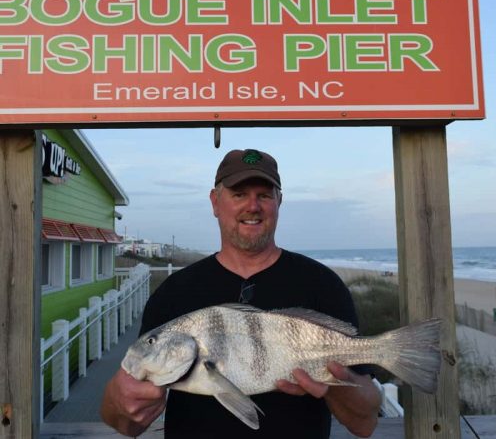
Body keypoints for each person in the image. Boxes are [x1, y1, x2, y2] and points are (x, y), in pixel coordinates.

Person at [101, 148, 381, 438]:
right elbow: (127, 426)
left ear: (279, 202)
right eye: (238, 194)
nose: (253, 206)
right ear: (215, 202)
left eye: (264, 195)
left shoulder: (323, 284)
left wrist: (335, 383)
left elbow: (365, 423)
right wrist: (116, 399)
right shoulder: (174, 292)